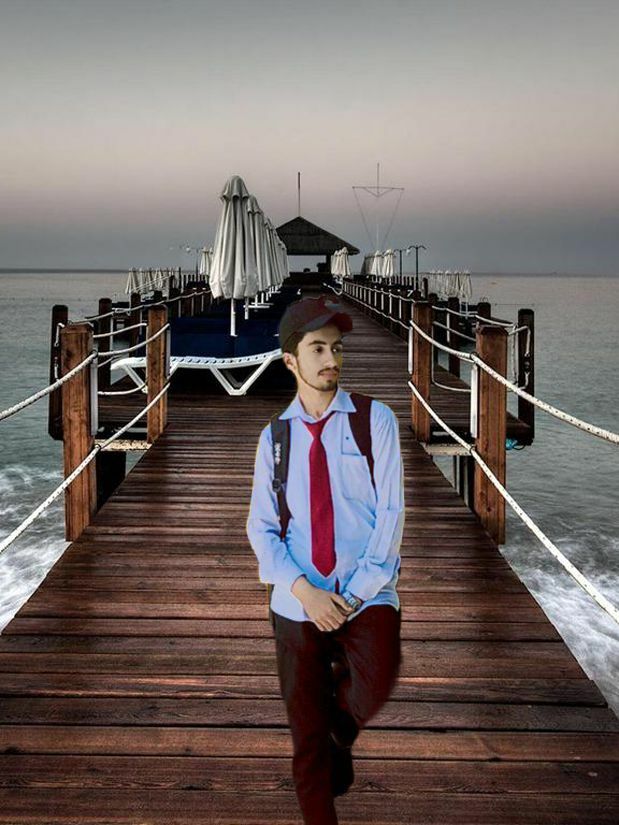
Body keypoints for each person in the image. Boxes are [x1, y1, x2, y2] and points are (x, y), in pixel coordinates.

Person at [246, 294, 404, 825]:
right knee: (306, 741)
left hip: (366, 588)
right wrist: (306, 593)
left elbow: (391, 515)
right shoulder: (275, 438)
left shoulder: (374, 421)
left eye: (336, 348)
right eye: (317, 349)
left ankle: (339, 732)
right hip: (299, 597)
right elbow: (262, 529)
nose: (331, 359)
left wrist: (352, 596)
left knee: (377, 678)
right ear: (290, 360)